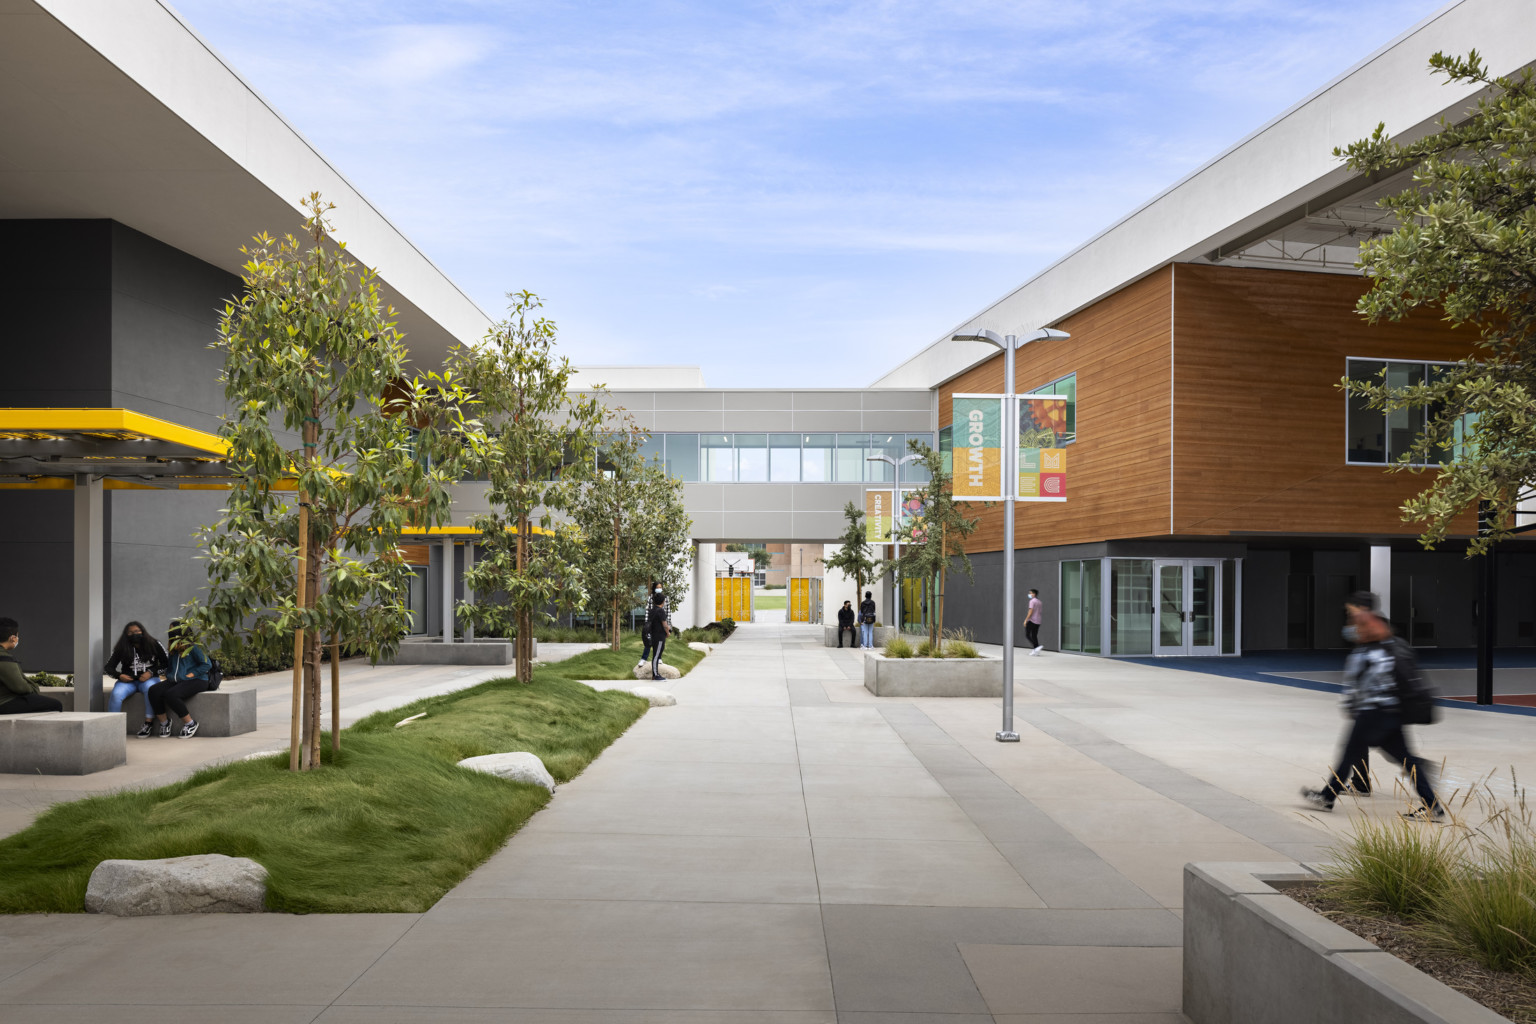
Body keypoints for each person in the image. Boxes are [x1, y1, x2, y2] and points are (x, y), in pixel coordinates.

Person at [1302, 593, 1443, 819]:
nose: (1350, 627)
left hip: (1371, 714)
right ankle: (1432, 806)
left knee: (1348, 754)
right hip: (1392, 711)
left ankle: (1327, 798)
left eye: (1352, 622)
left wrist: (1350, 706)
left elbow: (1355, 689)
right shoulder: (1388, 648)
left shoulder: (1364, 654)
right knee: (1406, 758)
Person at [144, 620, 209, 738]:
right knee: (153, 690)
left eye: (172, 630)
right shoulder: (173, 648)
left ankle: (190, 723)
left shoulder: (194, 646)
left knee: (171, 694)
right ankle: (164, 723)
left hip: (198, 680)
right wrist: (169, 675)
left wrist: (192, 674)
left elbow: (206, 664)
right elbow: (171, 666)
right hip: (177, 680)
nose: (169, 632)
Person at [103, 621, 168, 733]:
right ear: (126, 634)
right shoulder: (121, 647)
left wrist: (151, 672)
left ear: (142, 631)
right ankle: (112, 727)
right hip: (128, 682)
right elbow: (108, 667)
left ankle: (148, 723)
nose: (135, 634)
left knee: (151, 690)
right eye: (131, 632)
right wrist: (119, 675)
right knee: (116, 694)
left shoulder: (154, 643)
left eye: (137, 631)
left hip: (149, 679)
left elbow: (166, 663)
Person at [0, 618, 64, 714]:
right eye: (17, 636)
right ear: (12, 638)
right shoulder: (4, 658)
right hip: (4, 703)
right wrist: (33, 689)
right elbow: (20, 687)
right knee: (56, 705)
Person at [645, 591, 672, 681]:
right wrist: (668, 632)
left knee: (656, 654)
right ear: (663, 601)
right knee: (656, 655)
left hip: (653, 635)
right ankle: (655, 675)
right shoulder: (661, 611)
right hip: (659, 636)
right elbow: (664, 624)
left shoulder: (652, 610)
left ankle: (655, 674)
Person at [1024, 588, 1044, 656]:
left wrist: (1026, 620)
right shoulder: (1039, 602)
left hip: (1032, 620)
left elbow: (1030, 611)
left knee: (1027, 634)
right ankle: (1036, 651)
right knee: (1034, 635)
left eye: (1030, 593)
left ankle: (1037, 647)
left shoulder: (1032, 601)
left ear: (1034, 594)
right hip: (1038, 621)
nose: (1029, 594)